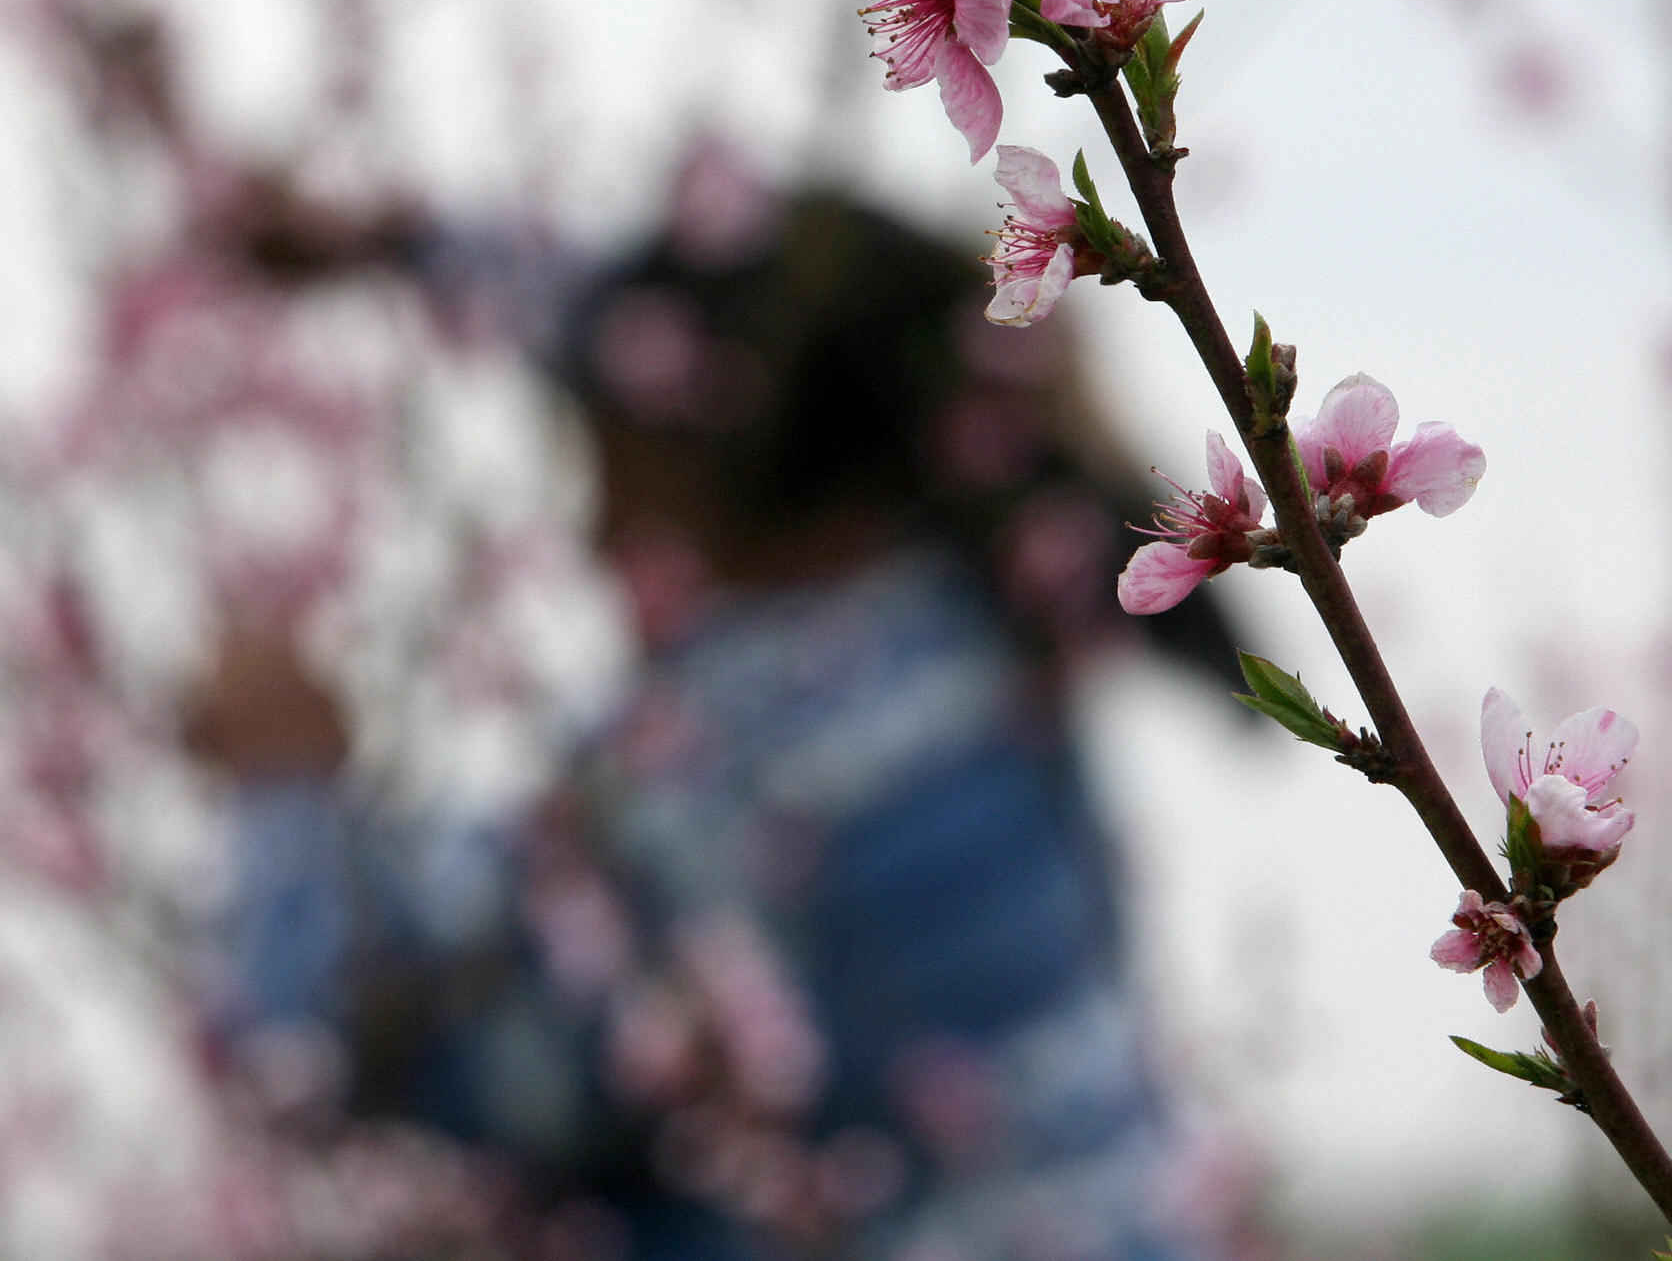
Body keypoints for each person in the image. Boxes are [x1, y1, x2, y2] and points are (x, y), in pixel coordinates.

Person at [187, 171, 1241, 1261]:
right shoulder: (969, 640)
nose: (592, 536)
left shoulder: (760, 762)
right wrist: (399, 236)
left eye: (604, 464)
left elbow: (368, 1052)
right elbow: (640, 324)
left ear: (711, 448)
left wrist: (283, 789)